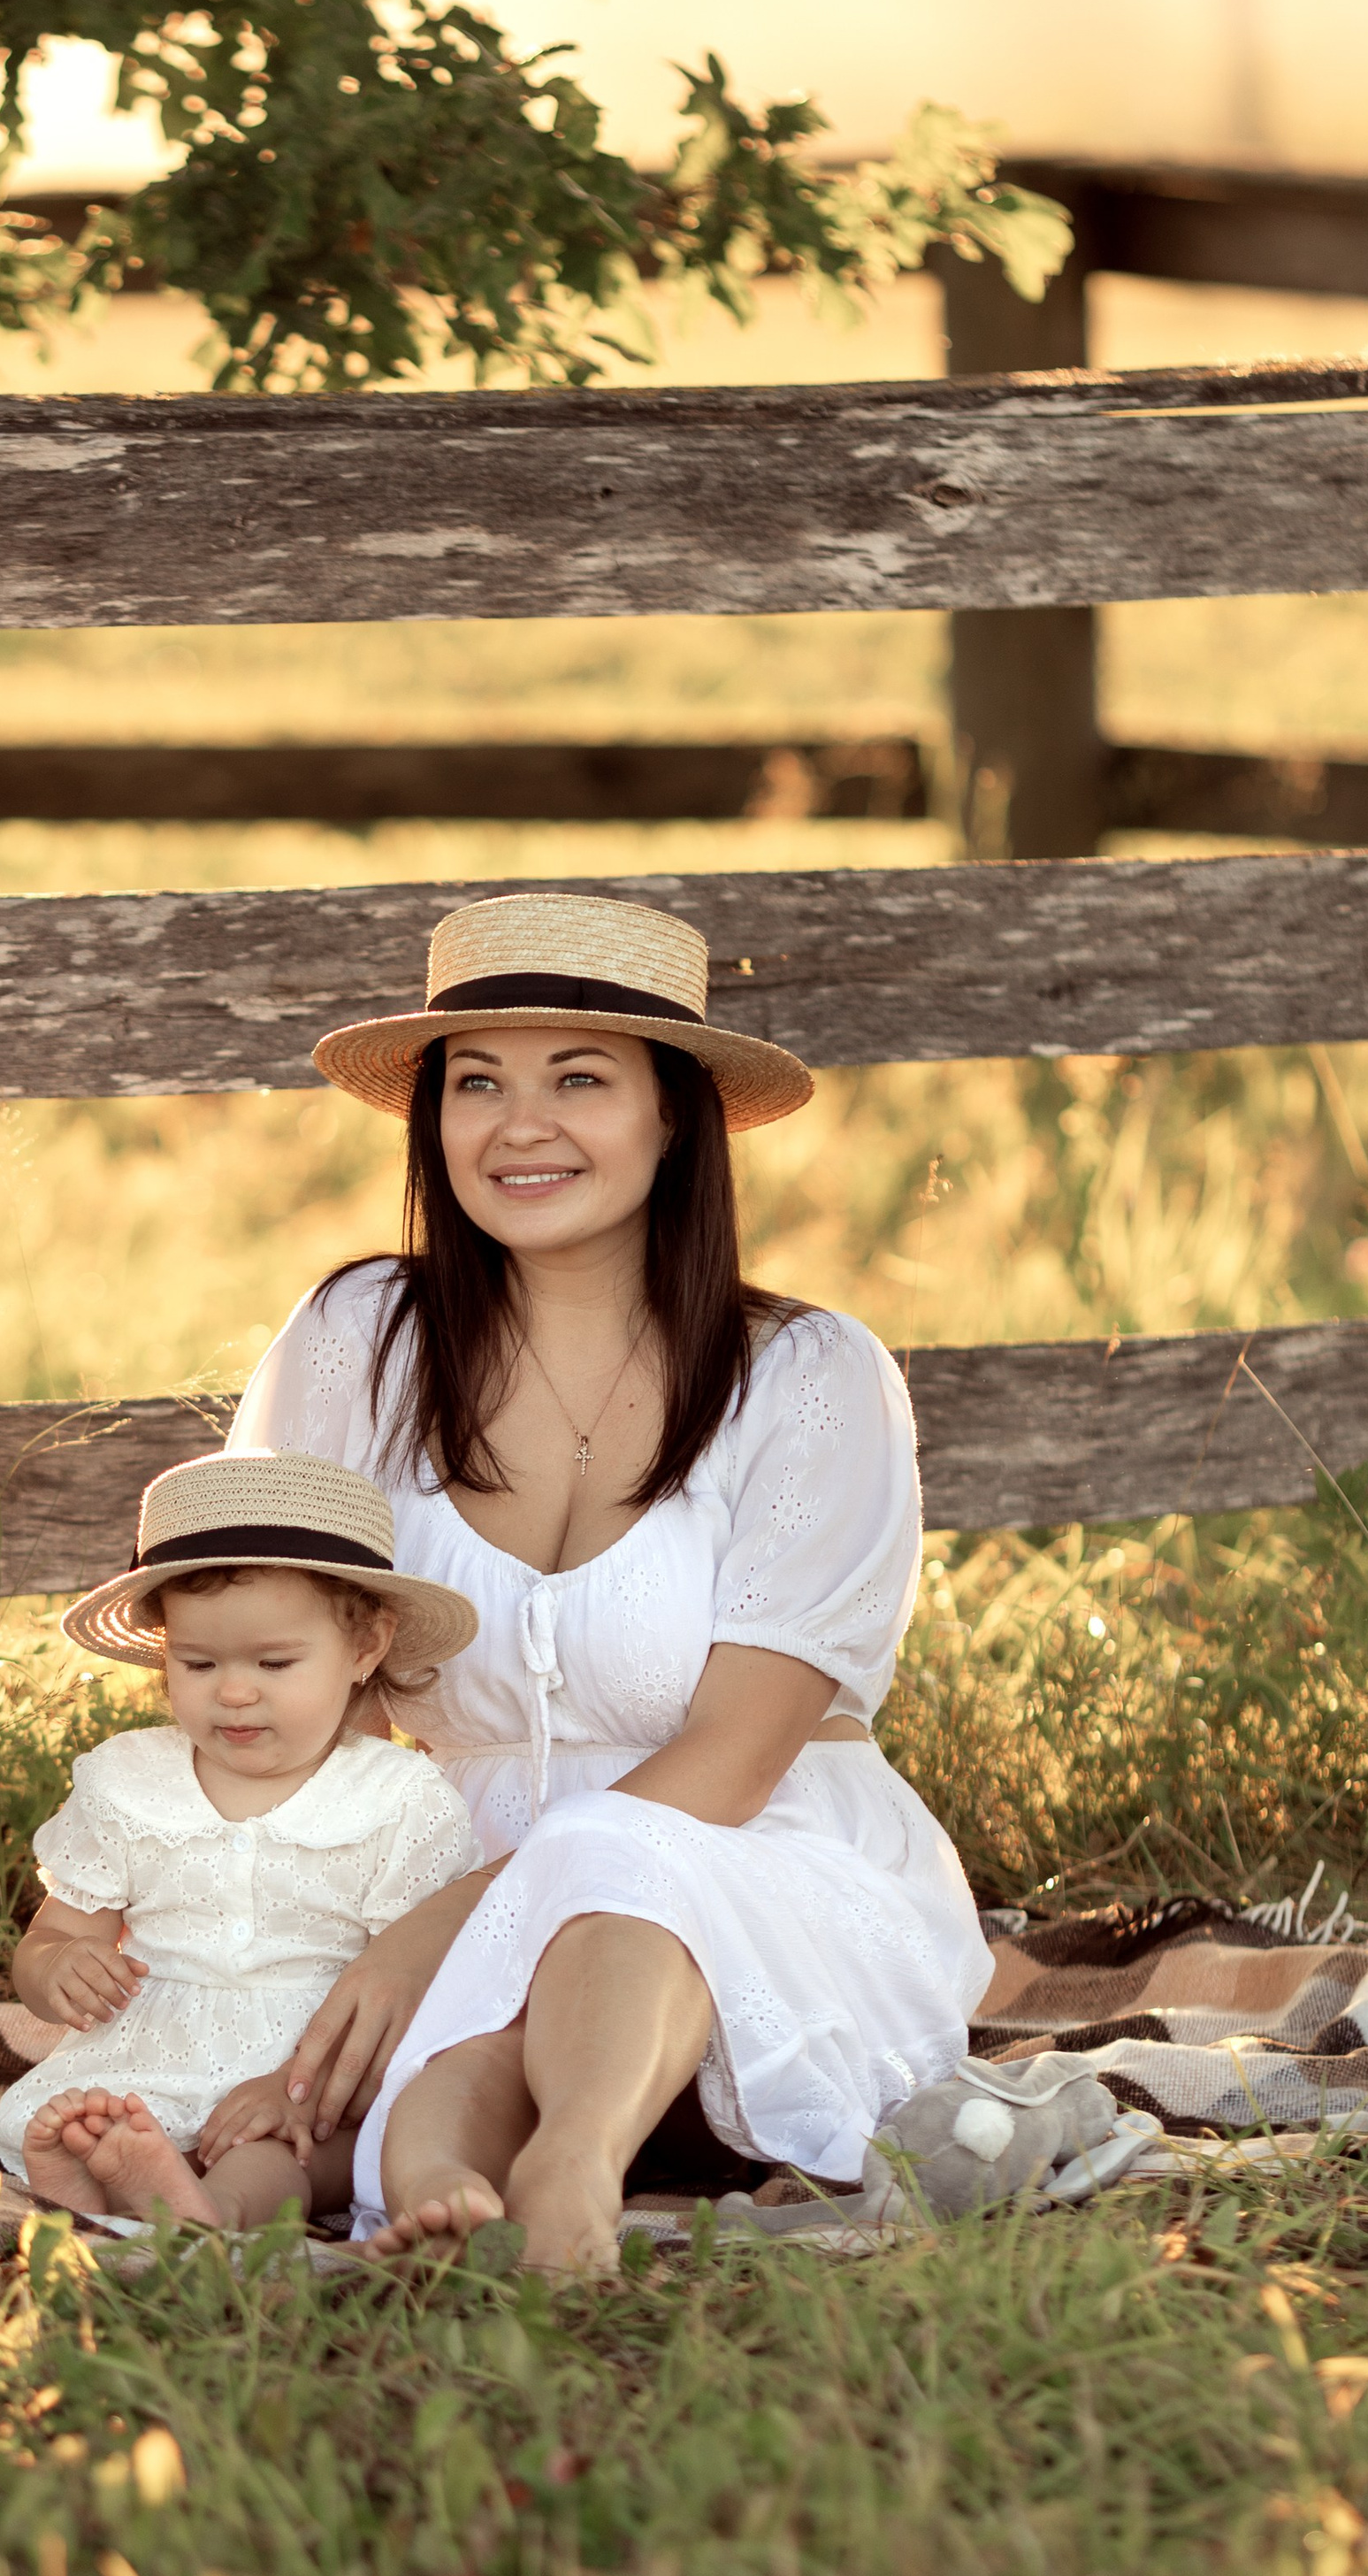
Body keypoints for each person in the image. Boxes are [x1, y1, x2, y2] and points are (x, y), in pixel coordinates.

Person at [218, 888, 993, 2271]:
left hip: (748, 1863)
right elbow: (272, 1654)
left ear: (674, 1114)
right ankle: (414, 2177)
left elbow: (738, 1759)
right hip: (439, 1855)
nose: (521, 1127)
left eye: (580, 1079)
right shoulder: (358, 1342)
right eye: (478, 1083)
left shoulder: (809, 1382)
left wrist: (431, 1937)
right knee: (273, 2110)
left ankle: (571, 2169)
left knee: (618, 1871)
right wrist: (288, 1918)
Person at [0, 1445, 482, 2231]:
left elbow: (416, 1995)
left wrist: (294, 2086)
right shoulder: (128, 1782)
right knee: (95, 2117)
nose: (236, 1691)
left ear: (365, 1649)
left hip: (314, 2072)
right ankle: (117, 2174)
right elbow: (52, 1937)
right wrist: (59, 1969)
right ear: (165, 1652)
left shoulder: (397, 1801)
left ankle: (209, 2209)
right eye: (199, 1661)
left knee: (297, 2151)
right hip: (149, 2052)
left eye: (275, 1662)